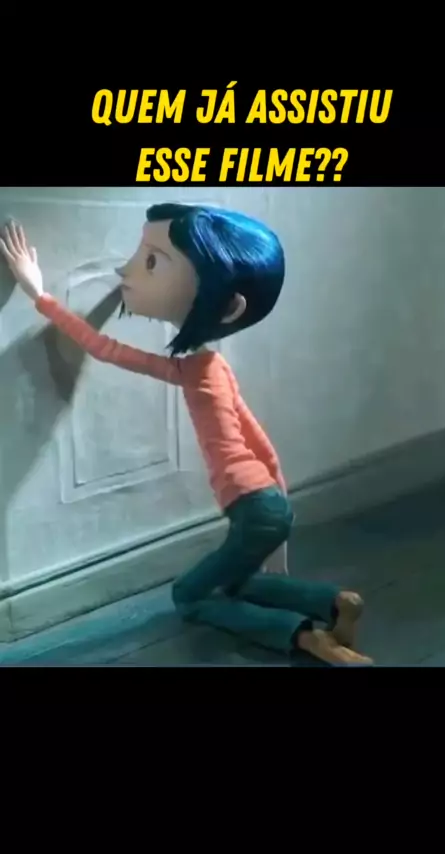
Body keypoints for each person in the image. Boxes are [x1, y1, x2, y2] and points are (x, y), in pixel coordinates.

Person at [0, 207, 373, 666]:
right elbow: (262, 447)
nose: (126, 271)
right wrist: (282, 513)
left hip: (254, 508)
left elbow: (104, 348)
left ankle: (306, 637)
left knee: (190, 595)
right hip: (268, 505)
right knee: (237, 582)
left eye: (152, 261)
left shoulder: (196, 370)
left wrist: (39, 295)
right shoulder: (213, 368)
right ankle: (334, 603)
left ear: (228, 306)